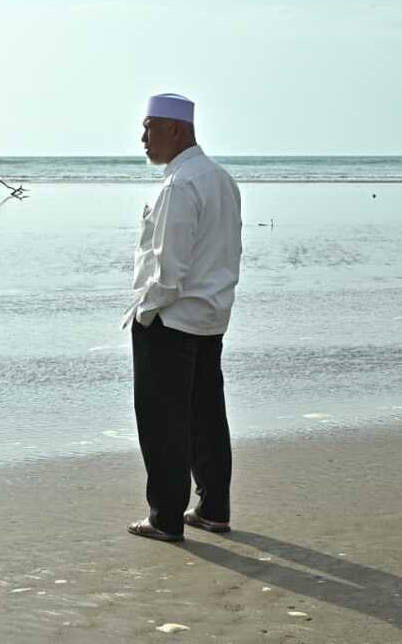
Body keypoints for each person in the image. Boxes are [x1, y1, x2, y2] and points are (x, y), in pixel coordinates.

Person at [123, 93, 243, 542]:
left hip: (171, 319)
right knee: (206, 417)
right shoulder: (221, 179)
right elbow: (229, 251)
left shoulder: (179, 184)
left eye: (149, 127)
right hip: (210, 316)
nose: (143, 138)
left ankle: (165, 517)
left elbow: (168, 267)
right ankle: (213, 508)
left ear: (174, 129)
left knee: (163, 423)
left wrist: (146, 311)